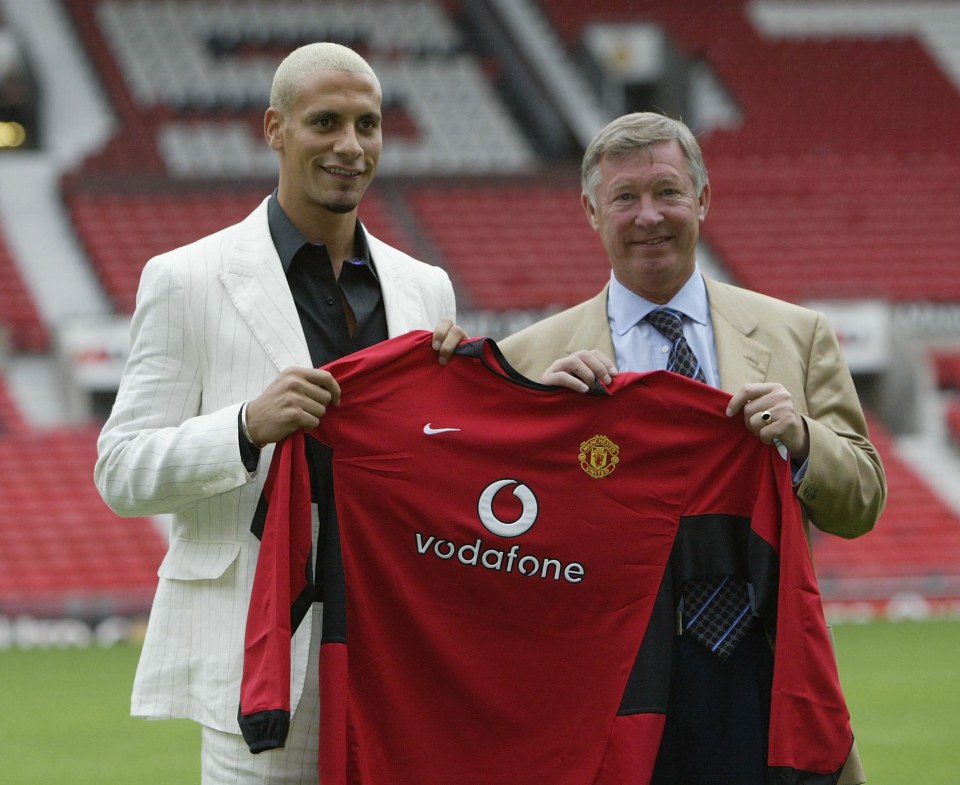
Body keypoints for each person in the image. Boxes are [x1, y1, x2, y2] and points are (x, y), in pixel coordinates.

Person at [95, 42, 462, 785]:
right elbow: (120, 470)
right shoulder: (185, 279)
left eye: (369, 124)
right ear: (275, 128)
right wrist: (243, 427)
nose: (350, 146)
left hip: (397, 654)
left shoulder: (427, 289)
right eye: (325, 121)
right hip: (261, 663)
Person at [498, 111, 886, 785]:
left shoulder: (797, 335)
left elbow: (861, 502)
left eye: (667, 192)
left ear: (702, 199)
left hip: (761, 677)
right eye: (625, 198)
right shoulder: (527, 361)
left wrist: (801, 440)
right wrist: (541, 444)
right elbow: (500, 544)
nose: (649, 216)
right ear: (592, 211)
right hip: (603, 688)